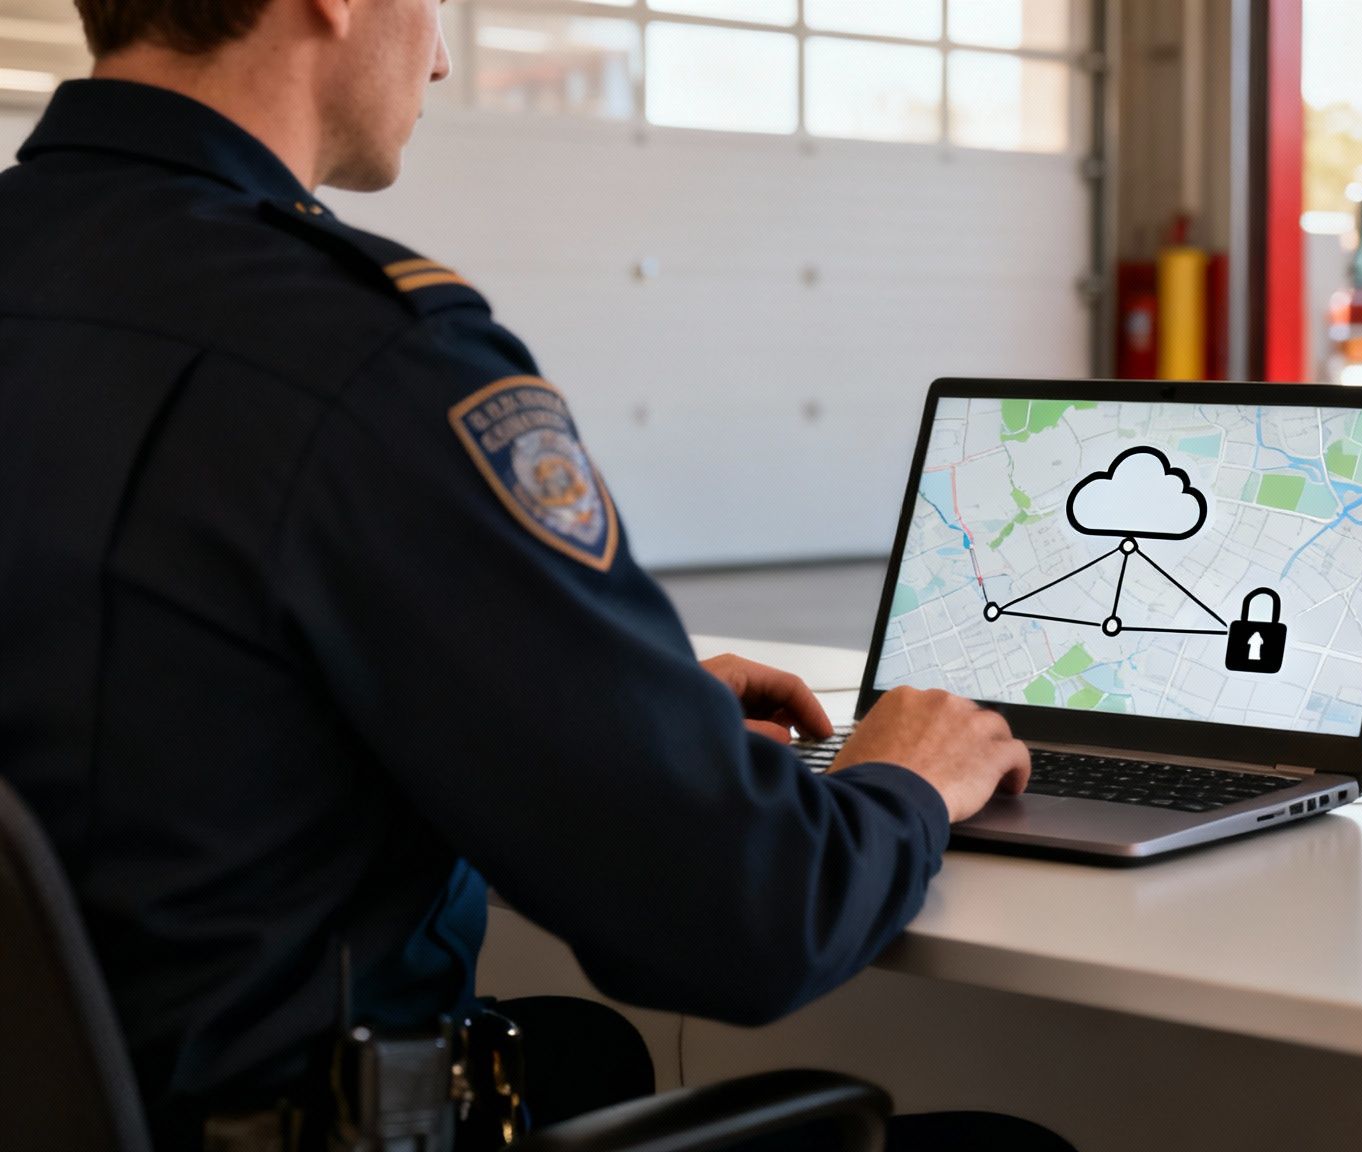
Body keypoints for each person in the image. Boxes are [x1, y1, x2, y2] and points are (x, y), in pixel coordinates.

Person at [0, 0, 1066, 1148]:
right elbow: (745, 918)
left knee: (576, 1049)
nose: (445, 54)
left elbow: (140, 698)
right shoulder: (363, 356)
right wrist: (904, 782)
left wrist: (594, 721)